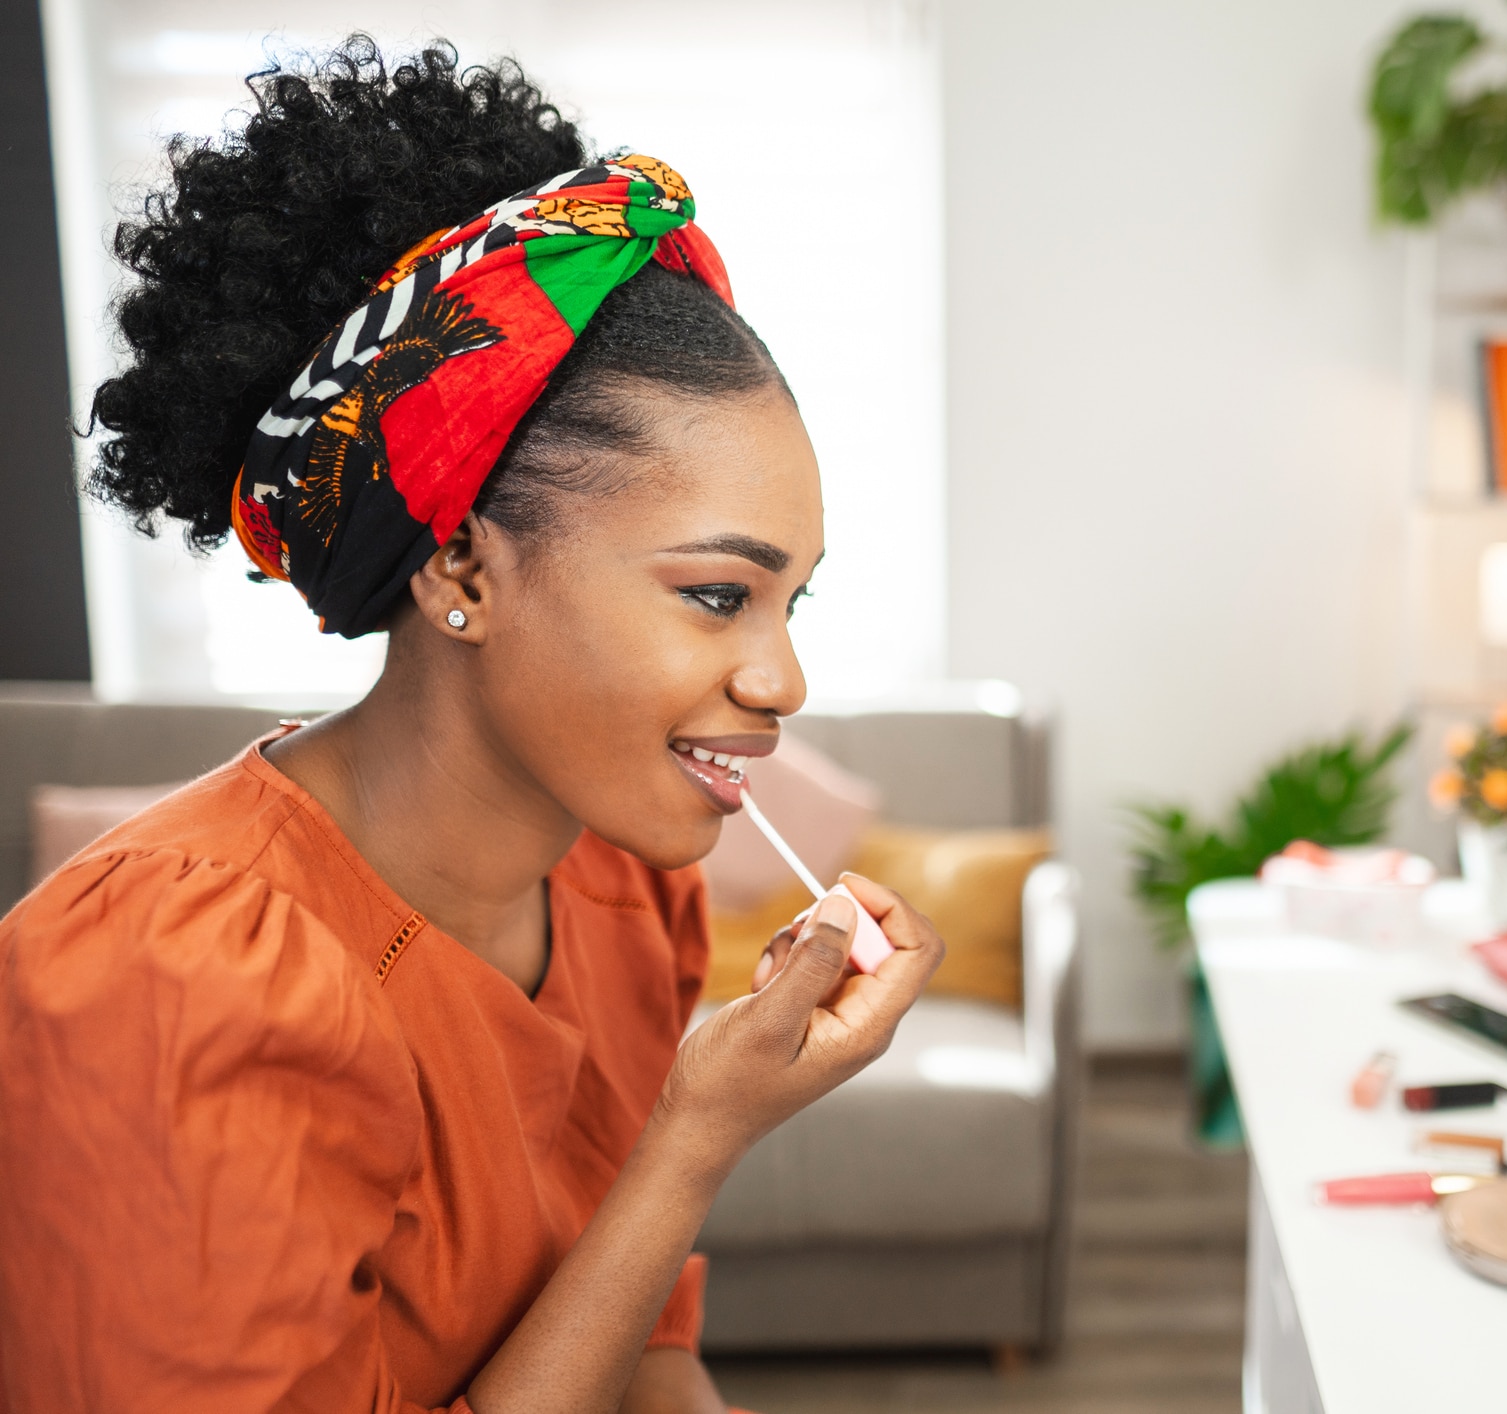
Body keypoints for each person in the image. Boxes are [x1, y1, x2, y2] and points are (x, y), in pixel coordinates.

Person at [0, 37, 942, 1414]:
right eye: (717, 593)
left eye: (788, 600)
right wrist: (693, 1137)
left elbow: (647, 1352)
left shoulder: (624, 890)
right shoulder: (168, 981)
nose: (781, 679)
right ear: (458, 572)